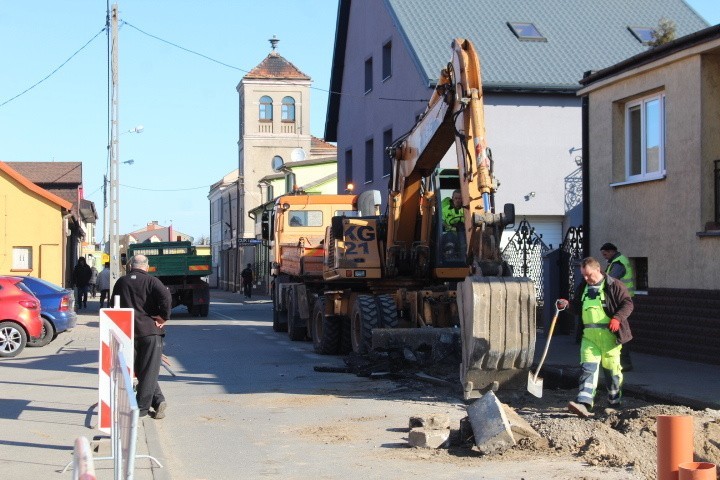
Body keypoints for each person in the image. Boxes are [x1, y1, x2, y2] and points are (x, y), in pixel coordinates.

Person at [559, 257, 633, 418]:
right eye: (583, 275)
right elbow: (577, 308)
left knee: (612, 371)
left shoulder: (614, 285)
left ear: (598, 270)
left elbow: (627, 304)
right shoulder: (583, 287)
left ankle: (614, 403)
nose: (586, 279)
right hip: (589, 337)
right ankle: (584, 403)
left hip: (610, 337)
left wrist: (617, 318)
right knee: (588, 369)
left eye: (588, 275)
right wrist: (567, 305)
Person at [111, 255, 172, 419]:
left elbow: (113, 306)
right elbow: (166, 298)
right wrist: (163, 317)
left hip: (128, 332)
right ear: (147, 266)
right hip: (150, 332)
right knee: (149, 370)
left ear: (131, 266)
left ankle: (158, 400)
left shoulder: (121, 282)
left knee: (140, 369)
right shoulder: (153, 282)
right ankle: (142, 408)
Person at [600, 243, 635, 371]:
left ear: (611, 252)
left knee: (621, 332)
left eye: (605, 254)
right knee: (619, 331)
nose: (604, 257)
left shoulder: (618, 263)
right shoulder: (616, 262)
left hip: (621, 302)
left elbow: (611, 280)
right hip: (621, 300)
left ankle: (624, 363)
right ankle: (619, 362)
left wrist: (599, 278)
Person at [440, 190, 466, 259]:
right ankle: (449, 256)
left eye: (459, 198)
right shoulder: (445, 210)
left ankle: (465, 258)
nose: (457, 200)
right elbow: (442, 221)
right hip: (450, 234)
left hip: (462, 233)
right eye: (456, 198)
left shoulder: (466, 211)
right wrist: (450, 227)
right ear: (452, 198)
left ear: (462, 199)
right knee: (449, 236)